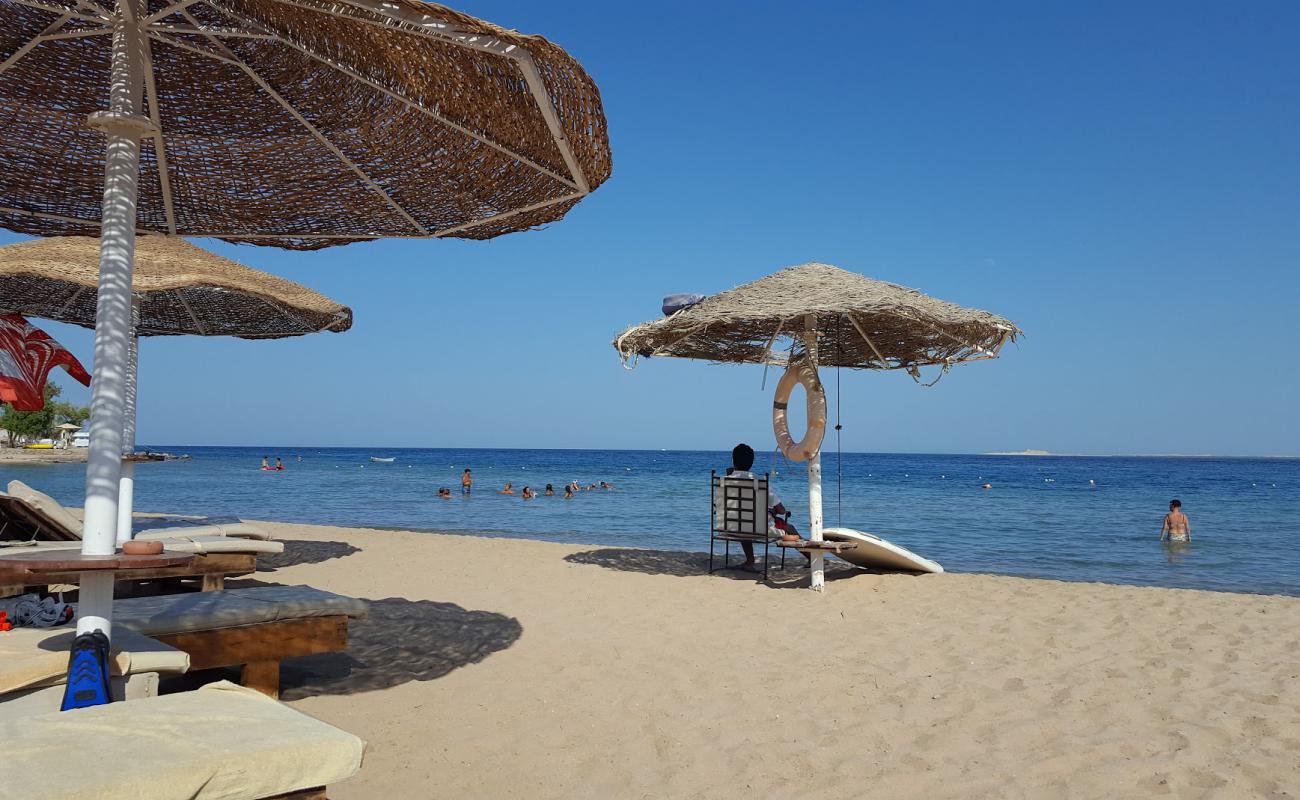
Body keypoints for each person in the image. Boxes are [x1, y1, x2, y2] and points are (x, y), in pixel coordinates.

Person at [725, 443, 803, 571]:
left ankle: (750, 560)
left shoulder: (724, 481)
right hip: (759, 530)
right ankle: (811, 556)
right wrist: (772, 510)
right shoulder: (759, 482)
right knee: (789, 527)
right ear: (752, 462)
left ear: (733, 461)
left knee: (744, 518)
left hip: (732, 527)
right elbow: (781, 510)